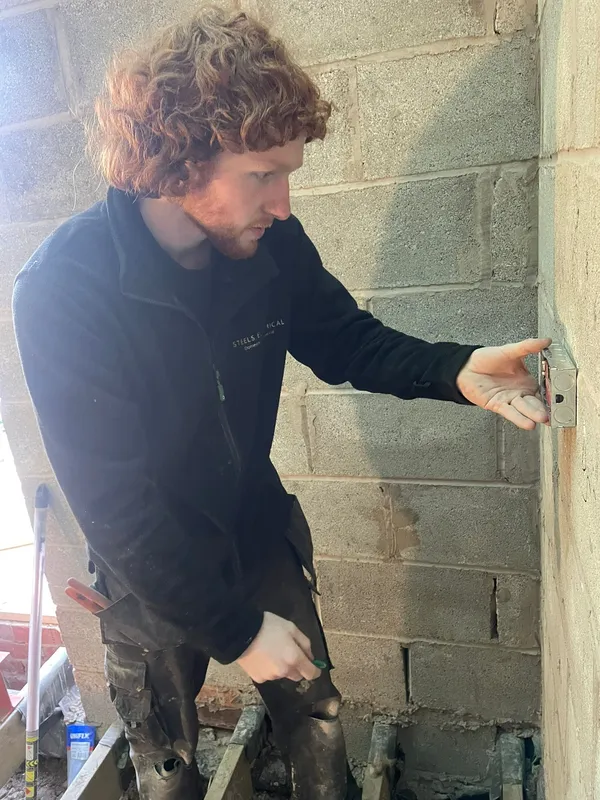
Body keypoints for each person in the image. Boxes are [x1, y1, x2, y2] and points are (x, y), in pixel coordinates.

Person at [13, 8, 550, 800]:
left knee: (317, 713)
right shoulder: (66, 289)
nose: (285, 202)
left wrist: (454, 369)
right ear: (177, 160)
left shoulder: (268, 244)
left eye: (287, 171)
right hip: (149, 563)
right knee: (167, 766)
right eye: (263, 174)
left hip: (254, 529)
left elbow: (345, 339)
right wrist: (234, 633)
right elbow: (115, 504)